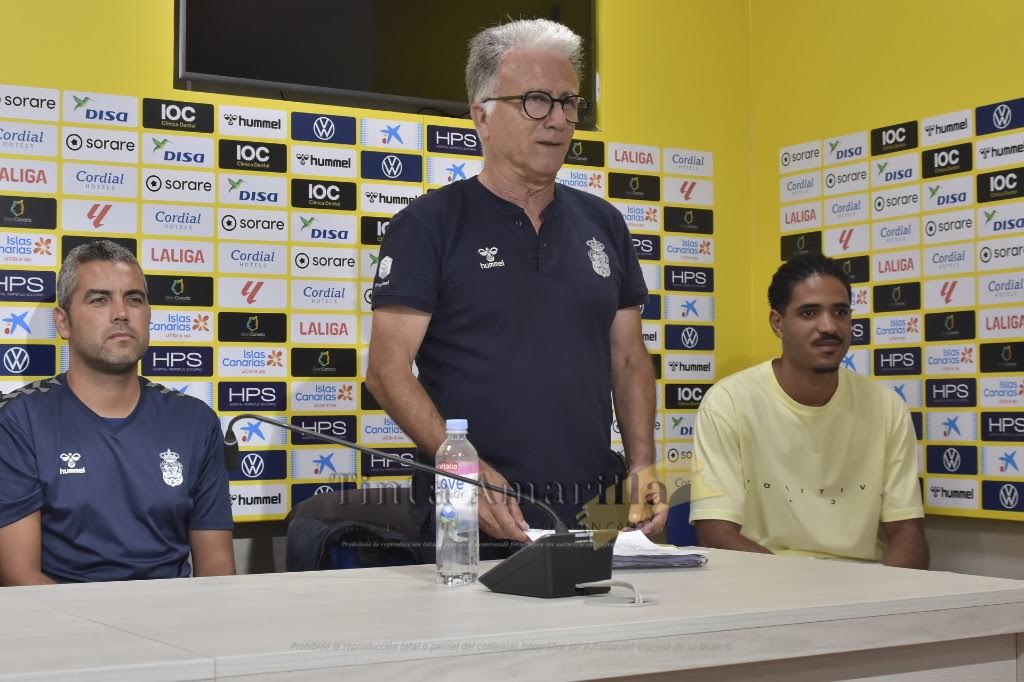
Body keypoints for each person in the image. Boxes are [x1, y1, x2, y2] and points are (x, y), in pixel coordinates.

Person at [366, 18, 667, 551]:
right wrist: (463, 467)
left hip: (596, 512)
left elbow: (627, 358)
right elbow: (387, 372)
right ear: (481, 116)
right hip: (471, 515)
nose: (558, 119)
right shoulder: (428, 225)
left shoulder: (605, 223)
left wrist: (642, 462)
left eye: (568, 102)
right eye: (535, 101)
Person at [0, 240, 235, 584]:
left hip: (175, 614)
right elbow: (18, 576)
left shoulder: (196, 421)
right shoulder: (18, 421)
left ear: (149, 315)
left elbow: (217, 567)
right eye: (99, 299)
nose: (121, 313)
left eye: (134, 299)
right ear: (63, 322)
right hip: (62, 616)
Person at [689, 254, 929, 568]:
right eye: (809, 313)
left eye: (840, 312)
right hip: (765, 582)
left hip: (865, 585)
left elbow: (908, 533)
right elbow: (716, 533)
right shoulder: (728, 402)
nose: (829, 326)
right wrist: (797, 586)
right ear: (778, 323)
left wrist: (889, 594)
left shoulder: (887, 407)